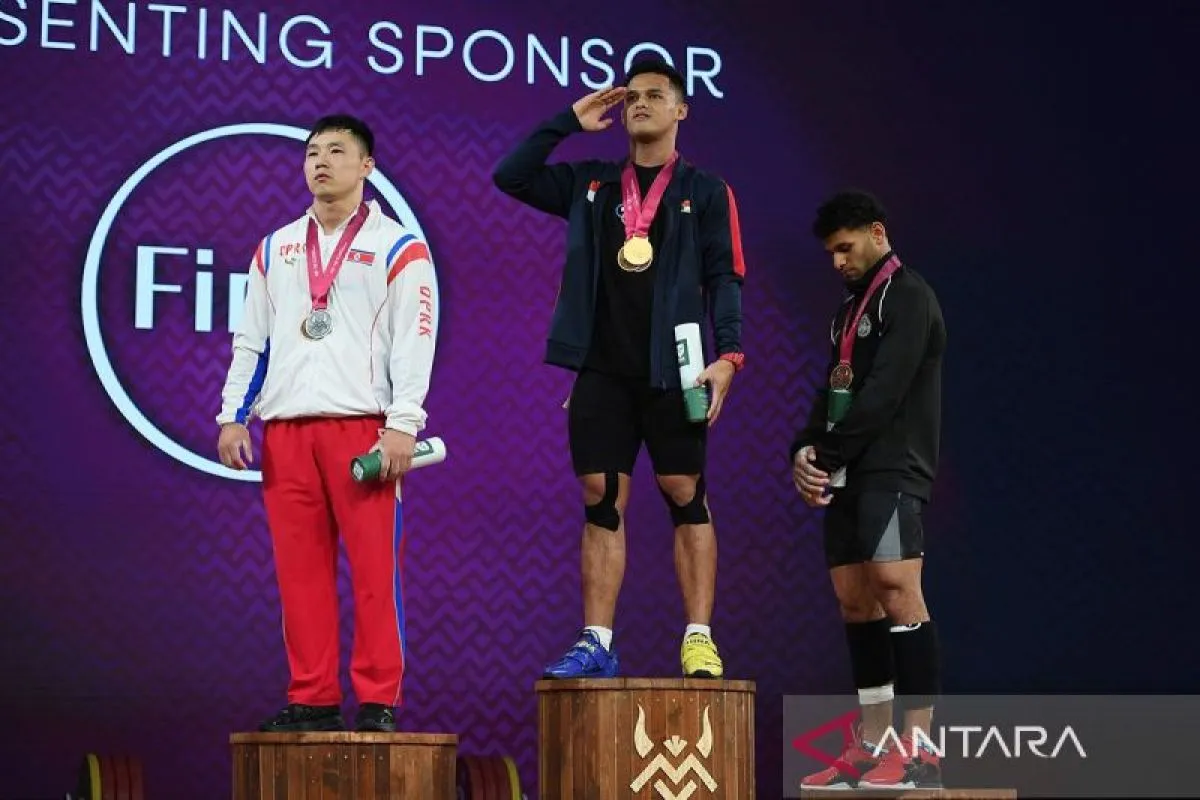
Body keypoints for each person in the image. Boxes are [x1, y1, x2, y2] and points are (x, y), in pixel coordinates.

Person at [492, 59, 747, 680]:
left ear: (681, 110)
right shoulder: (592, 183)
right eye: (632, 96)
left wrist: (728, 357)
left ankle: (698, 637)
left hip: (677, 370)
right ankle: (597, 641)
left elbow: (725, 278)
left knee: (684, 491)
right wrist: (566, 122)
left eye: (655, 95)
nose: (640, 104)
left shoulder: (706, 191)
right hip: (601, 371)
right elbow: (511, 176)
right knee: (601, 496)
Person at [216, 114, 439, 733]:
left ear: (367, 166)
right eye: (313, 152)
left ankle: (378, 699)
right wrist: (232, 415)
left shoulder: (399, 247)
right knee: (300, 574)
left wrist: (403, 423)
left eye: (337, 151)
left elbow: (415, 340)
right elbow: (250, 341)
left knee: (374, 573)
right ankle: (311, 695)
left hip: (363, 431)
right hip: (287, 434)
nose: (320, 161)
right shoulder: (275, 247)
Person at [791, 190, 945, 790]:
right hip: (848, 469)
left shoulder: (909, 297)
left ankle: (921, 753)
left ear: (877, 233)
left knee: (896, 589)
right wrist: (805, 450)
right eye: (831, 253)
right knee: (855, 601)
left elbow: (884, 392)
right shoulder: (848, 310)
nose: (837, 262)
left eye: (845, 248)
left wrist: (829, 454)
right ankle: (873, 744)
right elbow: (834, 388)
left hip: (893, 468)